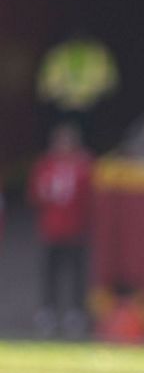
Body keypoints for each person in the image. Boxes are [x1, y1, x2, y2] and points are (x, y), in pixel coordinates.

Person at [27, 123, 94, 337]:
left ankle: (76, 313)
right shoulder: (45, 165)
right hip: (51, 229)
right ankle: (49, 311)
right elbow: (34, 195)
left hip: (76, 229)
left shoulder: (83, 166)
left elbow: (89, 198)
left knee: (76, 273)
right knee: (50, 272)